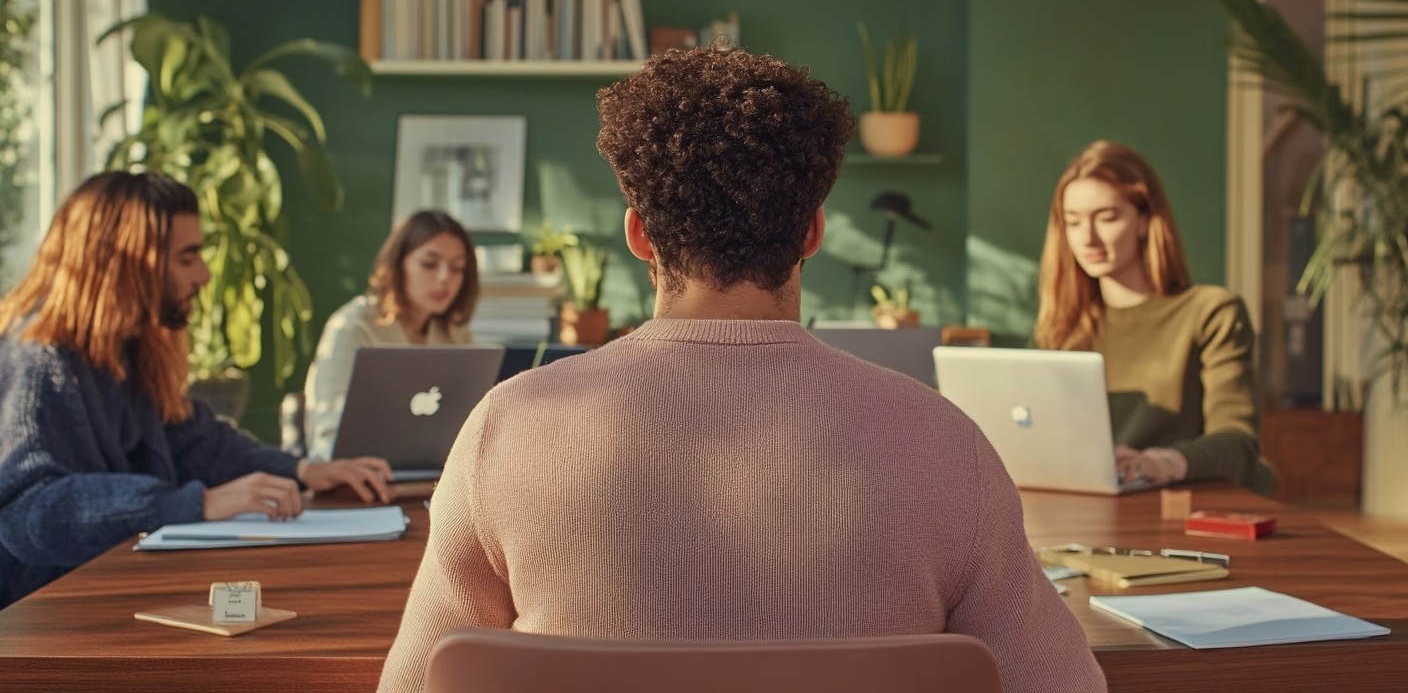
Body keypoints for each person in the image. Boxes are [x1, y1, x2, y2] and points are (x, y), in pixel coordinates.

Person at [377, 47, 1105, 693]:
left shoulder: (507, 430)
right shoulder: (946, 445)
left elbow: (418, 681)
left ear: (638, 232)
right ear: (813, 230)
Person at [0, 171, 395, 610]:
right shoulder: (37, 362)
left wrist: (302, 471)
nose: (205, 275)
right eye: (187, 258)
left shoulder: (127, 350)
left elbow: (193, 440)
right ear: (127, 262)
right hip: (40, 625)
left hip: (107, 593)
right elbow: (29, 514)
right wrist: (196, 503)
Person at [1034, 140, 1275, 494]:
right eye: (1073, 222)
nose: (1088, 238)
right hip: (1099, 506)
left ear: (1144, 220)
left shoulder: (1211, 313)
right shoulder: (1064, 326)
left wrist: (1163, 463)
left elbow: (1238, 444)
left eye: (1107, 217)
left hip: (1188, 506)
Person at [301, 210, 478, 461]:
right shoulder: (351, 327)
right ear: (398, 265)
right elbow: (327, 436)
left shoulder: (457, 335)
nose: (444, 278)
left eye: (457, 268)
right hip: (362, 479)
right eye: (429, 264)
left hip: (435, 477)